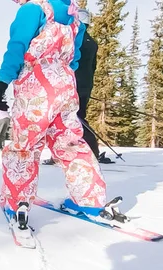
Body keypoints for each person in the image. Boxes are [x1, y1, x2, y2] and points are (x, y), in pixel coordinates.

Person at [0, 0, 128, 236]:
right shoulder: (73, 16)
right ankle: (89, 200)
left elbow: (17, 47)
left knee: (25, 147)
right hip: (65, 85)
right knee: (71, 144)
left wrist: (0, 85)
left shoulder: (32, 9)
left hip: (36, 87)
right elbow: (75, 59)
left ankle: (16, 205)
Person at [42, 8, 113, 165]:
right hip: (85, 86)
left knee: (63, 119)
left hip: (69, 84)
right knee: (78, 116)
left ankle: (64, 154)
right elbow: (92, 67)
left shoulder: (72, 40)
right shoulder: (92, 44)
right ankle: (91, 151)